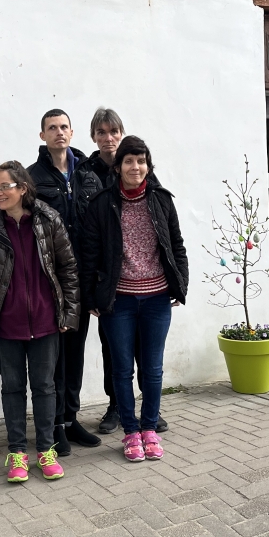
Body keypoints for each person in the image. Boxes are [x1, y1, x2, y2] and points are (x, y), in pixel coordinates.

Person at [0, 161, 79, 483]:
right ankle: (17, 452)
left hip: (46, 322)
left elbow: (68, 269)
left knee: (45, 388)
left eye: (5, 186)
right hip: (7, 325)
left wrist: (68, 313)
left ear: (23, 188)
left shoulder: (49, 219)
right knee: (12, 389)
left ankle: (46, 450)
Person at [81, 136, 188, 462]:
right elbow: (89, 255)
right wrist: (91, 296)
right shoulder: (102, 204)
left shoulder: (161, 200)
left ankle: (150, 428)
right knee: (122, 370)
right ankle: (130, 431)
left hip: (157, 299)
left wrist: (180, 285)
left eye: (141, 161)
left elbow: (177, 246)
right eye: (129, 161)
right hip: (119, 302)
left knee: (153, 370)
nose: (135, 166)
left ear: (148, 166)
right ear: (118, 167)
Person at [85, 108, 169, 437]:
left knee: (148, 358)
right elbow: (90, 243)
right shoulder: (87, 172)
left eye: (113, 131)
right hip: (114, 288)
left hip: (152, 292)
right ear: (94, 137)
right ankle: (117, 408)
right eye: (101, 132)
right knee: (115, 355)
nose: (108, 137)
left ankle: (150, 413)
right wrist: (93, 290)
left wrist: (178, 283)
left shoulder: (150, 183)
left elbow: (169, 236)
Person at [27, 110, 101, 456]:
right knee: (52, 357)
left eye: (64, 127)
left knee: (75, 353)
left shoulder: (88, 174)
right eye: (52, 128)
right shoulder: (32, 177)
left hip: (81, 280)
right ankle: (53, 424)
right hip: (49, 281)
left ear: (72, 133)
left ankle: (71, 419)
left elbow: (100, 226)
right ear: (43, 135)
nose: (59, 132)